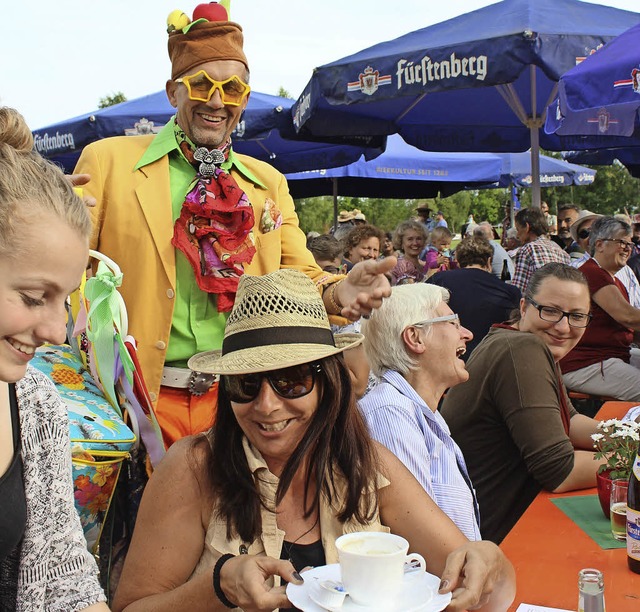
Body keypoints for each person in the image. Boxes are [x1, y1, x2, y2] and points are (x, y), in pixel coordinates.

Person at [74, 10, 395, 447]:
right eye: (202, 84)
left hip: (242, 398)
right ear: (173, 92)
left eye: (233, 89)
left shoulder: (267, 184)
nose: (216, 101)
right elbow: (69, 274)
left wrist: (340, 292)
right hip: (131, 401)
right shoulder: (108, 162)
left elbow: (297, 278)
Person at [112, 269, 516, 612]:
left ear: (329, 384)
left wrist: (489, 560)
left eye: (292, 381)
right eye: (246, 384)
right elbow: (131, 608)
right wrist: (217, 587)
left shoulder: (366, 463)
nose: (266, 406)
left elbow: (478, 578)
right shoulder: (195, 467)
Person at [0, 108, 109, 610]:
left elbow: (64, 571)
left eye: (64, 299)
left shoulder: (34, 400)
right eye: (31, 296)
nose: (53, 331)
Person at [442, 263, 602, 544]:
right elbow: (560, 471)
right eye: (550, 311)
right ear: (525, 306)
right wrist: (631, 462)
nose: (564, 327)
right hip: (499, 538)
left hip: (499, 525)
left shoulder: (514, 339)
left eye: (577, 316)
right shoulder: (522, 349)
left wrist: (627, 439)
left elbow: (571, 420)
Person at [358, 284, 481, 540]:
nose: (467, 334)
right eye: (454, 324)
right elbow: (419, 538)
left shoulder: (421, 411)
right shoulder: (390, 413)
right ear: (415, 338)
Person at [561, 216, 640, 401]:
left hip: (606, 357)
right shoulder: (592, 272)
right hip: (585, 363)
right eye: (621, 242)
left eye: (630, 243)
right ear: (600, 244)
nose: (628, 248)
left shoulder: (613, 278)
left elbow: (629, 329)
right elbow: (627, 317)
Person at [428, 236, 521, 358]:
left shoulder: (438, 281)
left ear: (458, 262)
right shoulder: (510, 292)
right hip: (493, 359)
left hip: (450, 356)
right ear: (489, 261)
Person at [512, 207, 570, 293]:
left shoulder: (527, 250)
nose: (517, 235)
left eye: (518, 229)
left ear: (527, 227)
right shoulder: (562, 252)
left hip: (537, 303)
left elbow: (518, 291)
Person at [389, 220, 428, 285]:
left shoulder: (425, 265)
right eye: (410, 239)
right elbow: (409, 289)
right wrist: (430, 274)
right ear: (401, 243)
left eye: (419, 238)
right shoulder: (401, 266)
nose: (415, 243)